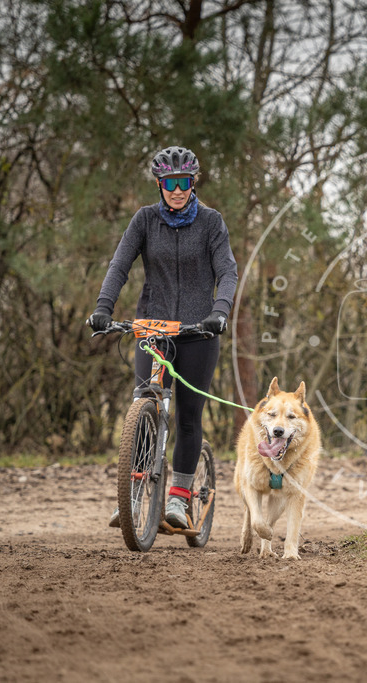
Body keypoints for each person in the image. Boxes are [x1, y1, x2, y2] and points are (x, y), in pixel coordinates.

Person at [88, 146, 238, 528]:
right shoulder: (144, 220)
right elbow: (119, 264)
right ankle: (134, 493)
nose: (177, 190)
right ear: (159, 184)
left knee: (188, 416)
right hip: (151, 330)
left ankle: (179, 498)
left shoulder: (211, 221)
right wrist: (104, 308)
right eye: (170, 183)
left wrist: (219, 312)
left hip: (197, 332)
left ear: (193, 183)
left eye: (184, 182)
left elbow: (227, 271)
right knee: (145, 402)